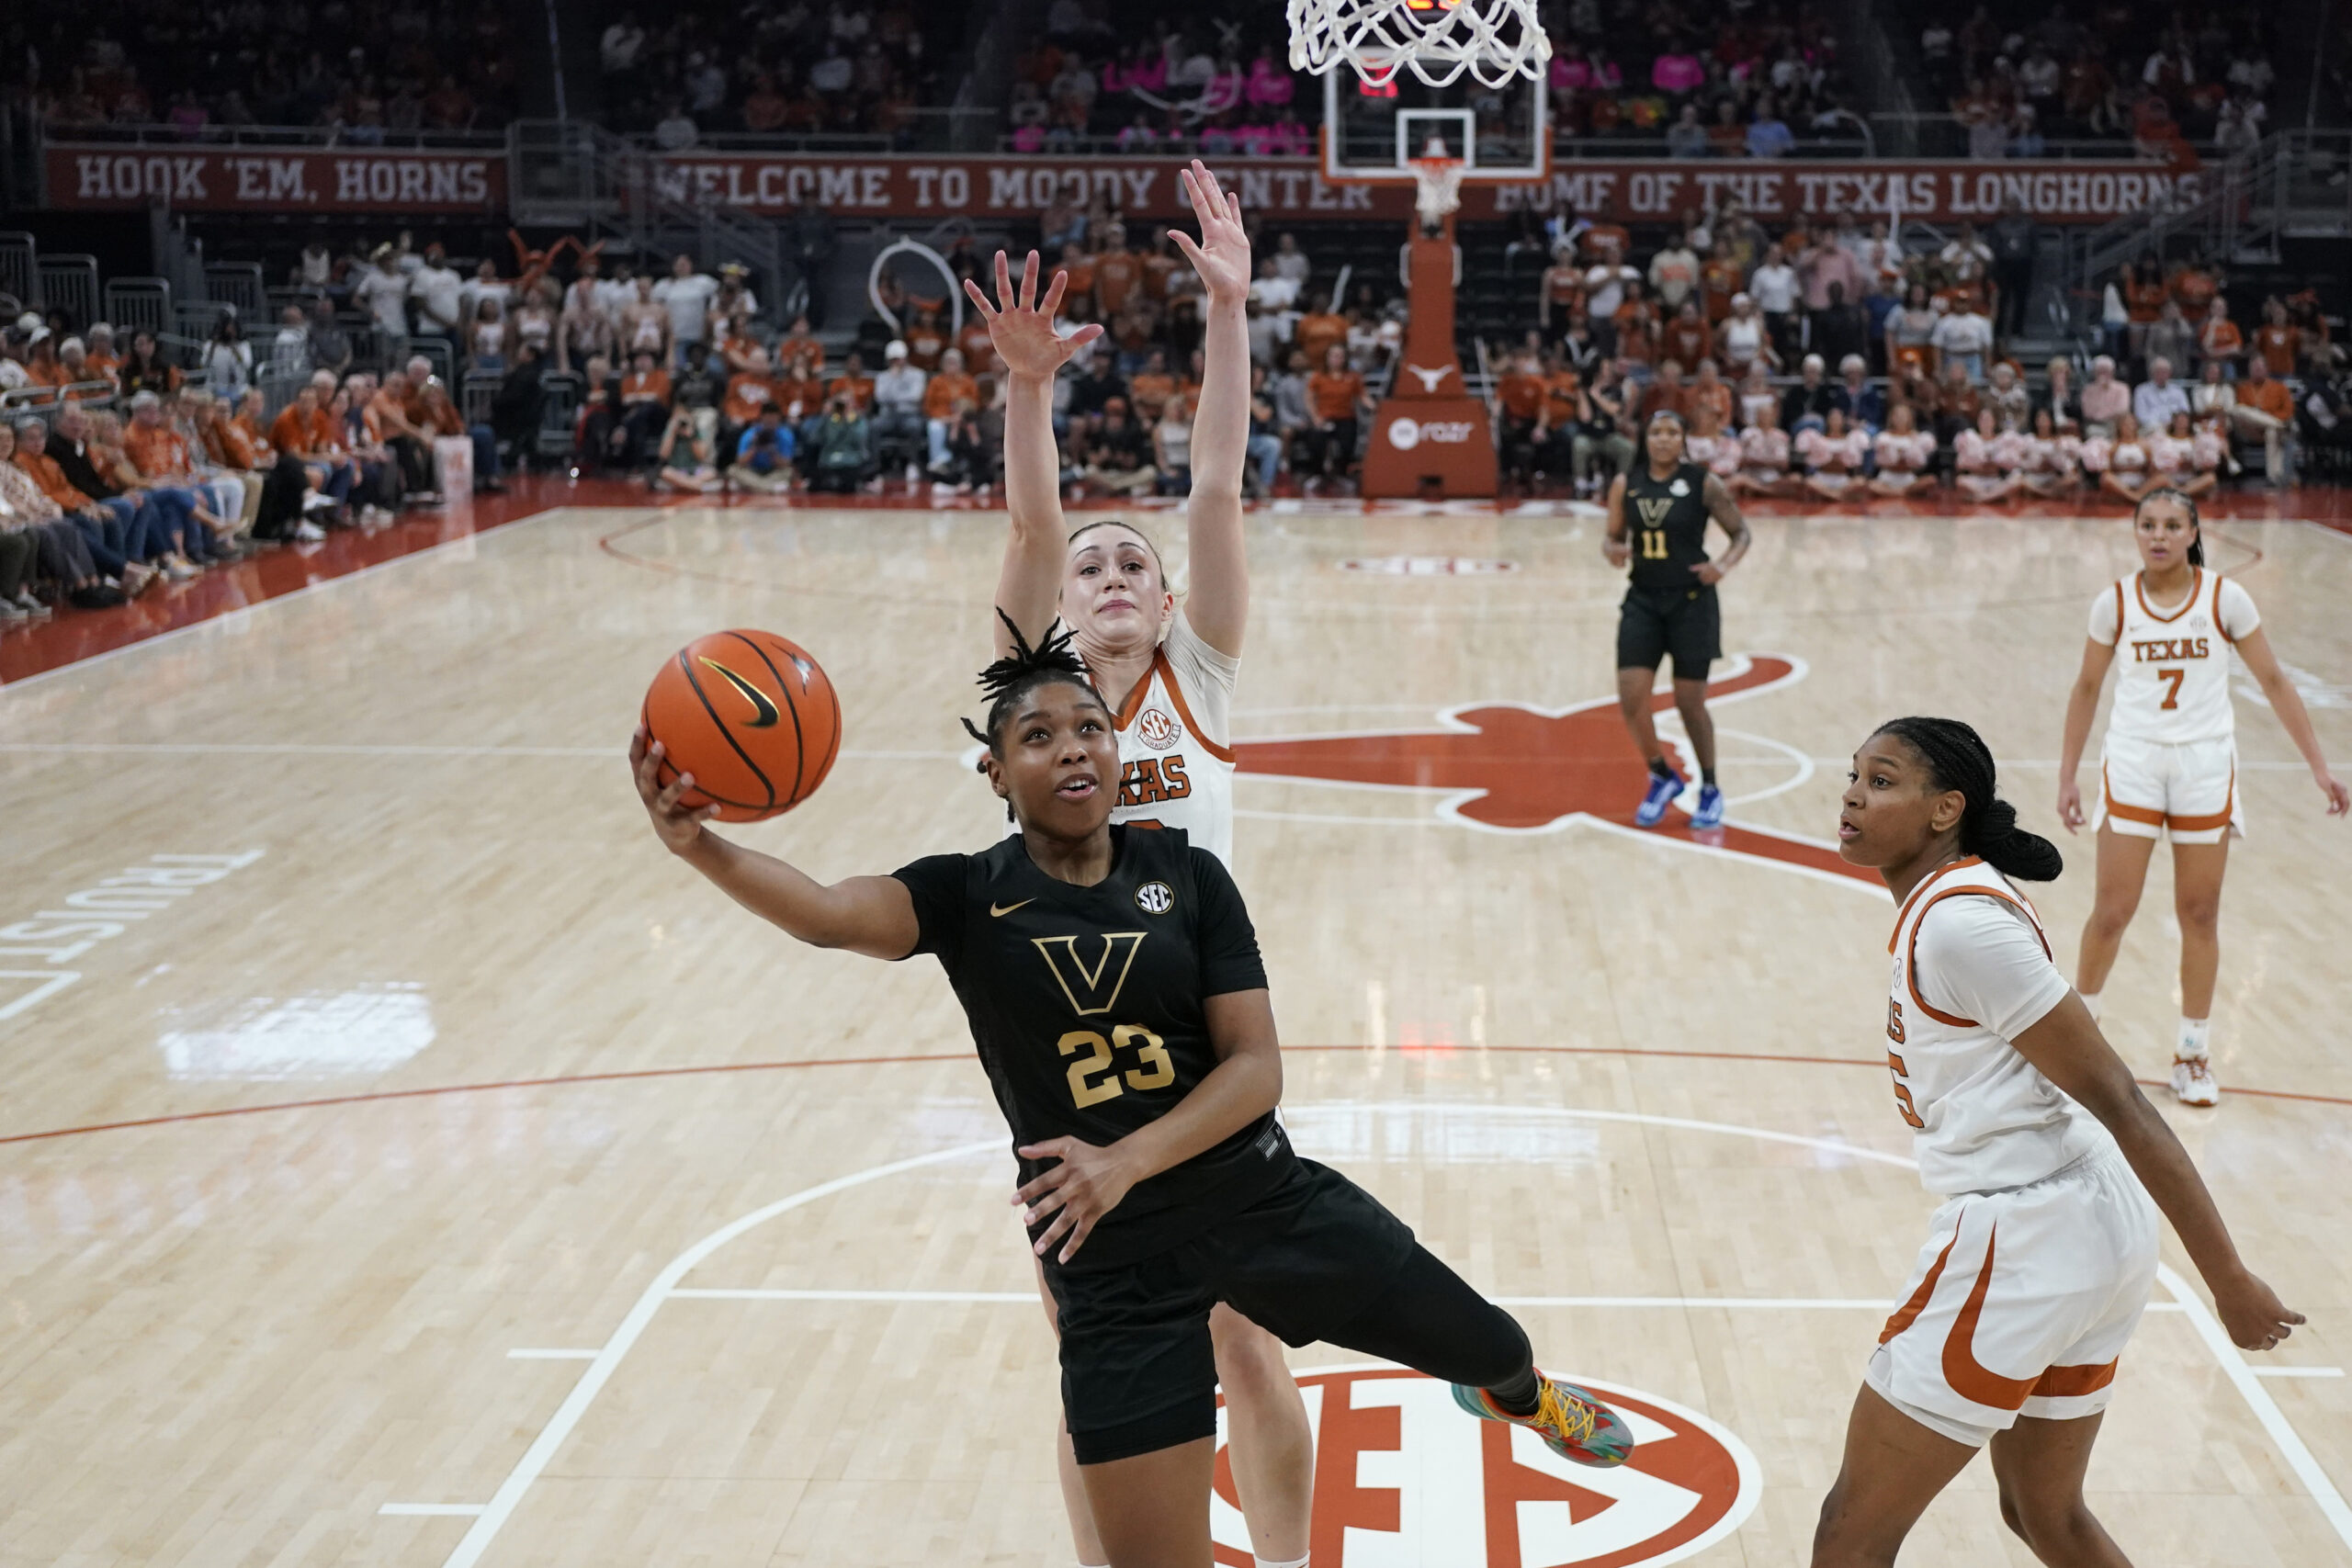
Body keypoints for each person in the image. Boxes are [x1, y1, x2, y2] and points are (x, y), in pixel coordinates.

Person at [628, 622, 1634, 1568]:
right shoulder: (963, 897)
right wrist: (699, 847)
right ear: (995, 773)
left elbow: (1255, 1070)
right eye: (1037, 735)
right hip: (1111, 1272)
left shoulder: (1188, 877)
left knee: (1496, 1346)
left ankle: (1518, 1398)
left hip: (1263, 1204)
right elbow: (829, 916)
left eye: (1089, 729)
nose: (1073, 750)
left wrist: (1124, 1160)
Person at [963, 162, 1333, 1568]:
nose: (1114, 571)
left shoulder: (1202, 681)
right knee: (1094, 1355)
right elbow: (1031, 528)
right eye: (1094, 565)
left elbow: (1221, 482)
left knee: (1243, 1337)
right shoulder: (1030, 704)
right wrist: (1025, 390)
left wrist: (1228, 310)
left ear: (1171, 601)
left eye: (1137, 563)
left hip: (1196, 1043)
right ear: (1058, 611)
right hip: (1063, 1058)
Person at [1812, 715, 2303, 1567]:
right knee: (2044, 1510)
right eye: (1853, 775)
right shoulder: (1960, 895)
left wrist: (2228, 1278)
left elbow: (2121, 1097)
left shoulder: (1963, 924)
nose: (1854, 794)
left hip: (2026, 1237)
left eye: (1883, 780)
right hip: (2086, 1227)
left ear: (1945, 810)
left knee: (1850, 1530)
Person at [2054, 491, 2346, 1104]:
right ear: (2135, 533)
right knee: (2113, 909)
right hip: (2134, 759)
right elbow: (2086, 687)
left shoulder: (2224, 597)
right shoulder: (2115, 601)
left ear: (2192, 531)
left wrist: (2319, 767)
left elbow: (2273, 680)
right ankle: (2078, 1046)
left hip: (2205, 764)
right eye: (2148, 525)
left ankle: (2192, 1052)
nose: (2158, 535)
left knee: (2200, 912)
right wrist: (2067, 775)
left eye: (2171, 525)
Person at [1603, 410, 1752, 830]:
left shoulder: (1703, 482)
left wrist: (1722, 566)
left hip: (1692, 603)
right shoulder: (1625, 483)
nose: (1664, 439)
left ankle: (1709, 786)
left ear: (1683, 439)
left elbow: (1741, 533)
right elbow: (1613, 537)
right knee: (1632, 700)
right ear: (1645, 438)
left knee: (1690, 704)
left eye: (1672, 432)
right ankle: (1661, 775)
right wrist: (1611, 550)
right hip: (1643, 601)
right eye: (1656, 432)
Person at [1871, 403, 1938, 497]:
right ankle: (1902, 493)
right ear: (1892, 418)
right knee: (1871, 485)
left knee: (1931, 480)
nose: (1900, 418)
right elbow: (1877, 461)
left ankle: (1897, 493)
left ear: (1909, 418)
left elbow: (1921, 462)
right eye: (1897, 415)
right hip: (1887, 477)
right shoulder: (1884, 436)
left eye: (1903, 415)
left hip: (1908, 478)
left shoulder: (1916, 436)